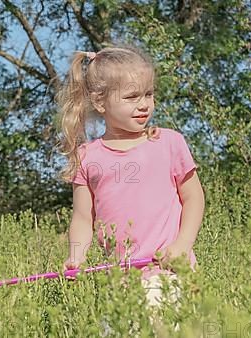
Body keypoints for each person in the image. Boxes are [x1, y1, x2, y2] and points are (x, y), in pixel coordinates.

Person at [55, 45, 205, 315]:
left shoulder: (168, 142)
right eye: (132, 96)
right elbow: (82, 218)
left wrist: (183, 244)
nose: (144, 104)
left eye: (149, 94)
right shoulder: (88, 156)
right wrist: (76, 256)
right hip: (118, 280)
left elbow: (194, 197)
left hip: (169, 272)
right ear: (100, 102)